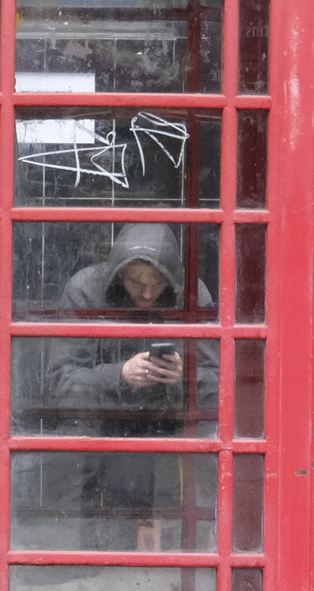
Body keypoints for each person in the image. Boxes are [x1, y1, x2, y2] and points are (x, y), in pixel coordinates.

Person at [18, 224, 219, 550]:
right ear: (116, 274)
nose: (148, 294)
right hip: (100, 426)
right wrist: (120, 375)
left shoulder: (193, 293)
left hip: (170, 429)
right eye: (136, 282)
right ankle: (79, 552)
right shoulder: (84, 290)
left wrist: (186, 373)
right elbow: (61, 379)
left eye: (157, 283)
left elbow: (221, 388)